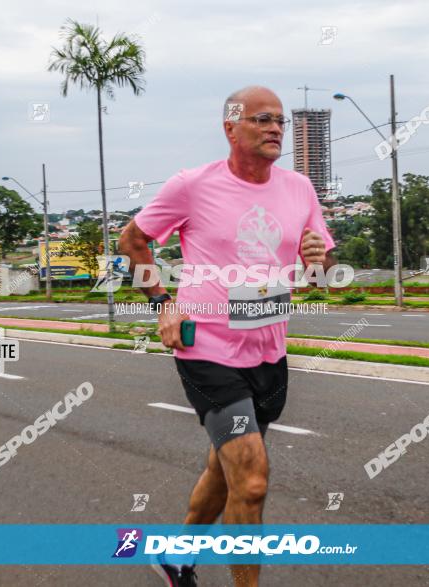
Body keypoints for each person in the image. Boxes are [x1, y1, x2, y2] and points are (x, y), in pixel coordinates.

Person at [118, 86, 336, 587]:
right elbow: (133, 240)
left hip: (267, 351)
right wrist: (162, 305)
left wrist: (319, 261)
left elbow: (319, 277)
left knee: (225, 472)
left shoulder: (300, 189)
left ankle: (175, 557)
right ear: (230, 128)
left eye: (280, 120)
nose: (276, 128)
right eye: (262, 119)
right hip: (206, 349)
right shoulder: (192, 186)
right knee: (253, 478)